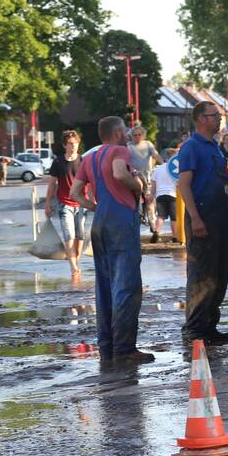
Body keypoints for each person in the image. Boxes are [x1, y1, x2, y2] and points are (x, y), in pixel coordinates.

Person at [70, 116, 153, 364]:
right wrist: (138, 185)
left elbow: (75, 192)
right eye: (124, 131)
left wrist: (95, 207)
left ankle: (107, 346)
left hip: (100, 223)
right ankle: (125, 349)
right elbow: (119, 174)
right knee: (126, 285)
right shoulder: (119, 151)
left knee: (104, 286)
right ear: (117, 132)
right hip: (121, 220)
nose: (127, 135)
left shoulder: (90, 158)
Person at [177, 102, 228, 345]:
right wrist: (195, 217)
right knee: (202, 275)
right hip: (203, 217)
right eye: (215, 115)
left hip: (221, 217)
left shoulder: (216, 148)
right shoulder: (191, 147)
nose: (219, 119)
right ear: (202, 119)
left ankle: (210, 326)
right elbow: (184, 185)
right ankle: (194, 328)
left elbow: (223, 187)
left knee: (218, 274)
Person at [45, 130, 88, 277]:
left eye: (75, 143)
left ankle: (76, 261)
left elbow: (90, 183)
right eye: (70, 144)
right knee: (69, 235)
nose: (73, 146)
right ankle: (74, 267)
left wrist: (93, 200)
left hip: (81, 204)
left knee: (80, 236)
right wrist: (47, 204)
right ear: (64, 145)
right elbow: (52, 184)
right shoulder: (58, 162)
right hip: (65, 204)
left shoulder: (83, 161)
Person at [128, 125, 164, 242]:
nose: (137, 137)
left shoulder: (148, 144)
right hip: (135, 176)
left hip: (148, 176)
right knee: (134, 202)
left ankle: (154, 228)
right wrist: (132, 170)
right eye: (135, 135)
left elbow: (156, 155)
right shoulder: (129, 147)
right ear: (132, 136)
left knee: (150, 201)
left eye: (139, 134)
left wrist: (164, 165)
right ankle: (135, 228)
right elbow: (127, 162)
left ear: (143, 135)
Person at [151, 148, 178, 240]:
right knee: (174, 217)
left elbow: (153, 184)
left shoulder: (157, 169)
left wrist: (152, 195)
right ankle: (175, 236)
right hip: (173, 194)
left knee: (161, 216)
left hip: (160, 195)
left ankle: (156, 232)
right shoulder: (175, 169)